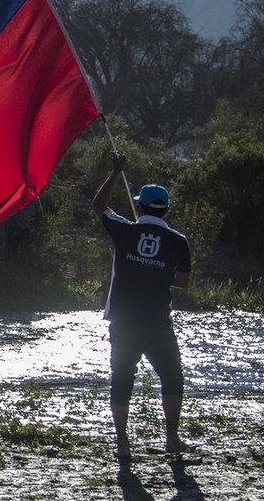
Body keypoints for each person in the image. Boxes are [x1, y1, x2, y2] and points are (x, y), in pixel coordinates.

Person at [92, 151, 192, 460]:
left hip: (123, 321)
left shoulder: (125, 230)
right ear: (167, 210)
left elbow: (98, 206)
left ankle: (123, 443)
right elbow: (183, 282)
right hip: (158, 322)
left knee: (122, 379)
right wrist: (158, 269)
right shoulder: (178, 241)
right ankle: (172, 438)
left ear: (138, 206)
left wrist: (115, 172)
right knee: (172, 377)